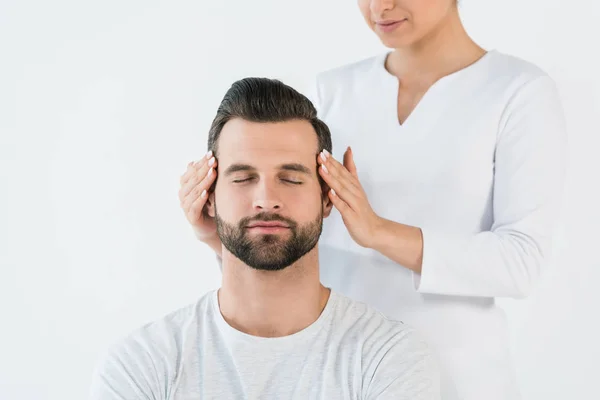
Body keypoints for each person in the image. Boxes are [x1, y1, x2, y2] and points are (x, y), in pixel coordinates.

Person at [180, 1, 567, 399]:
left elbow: (521, 261)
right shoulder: (332, 91)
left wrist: (378, 232)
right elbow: (292, 242)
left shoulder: (516, 92)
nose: (380, 7)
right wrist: (217, 240)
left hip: (459, 374)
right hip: (332, 369)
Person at [89, 78, 441, 400]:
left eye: (291, 178)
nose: (266, 199)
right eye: (242, 178)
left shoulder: (389, 358)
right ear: (208, 197)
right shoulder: (143, 362)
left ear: (328, 196)